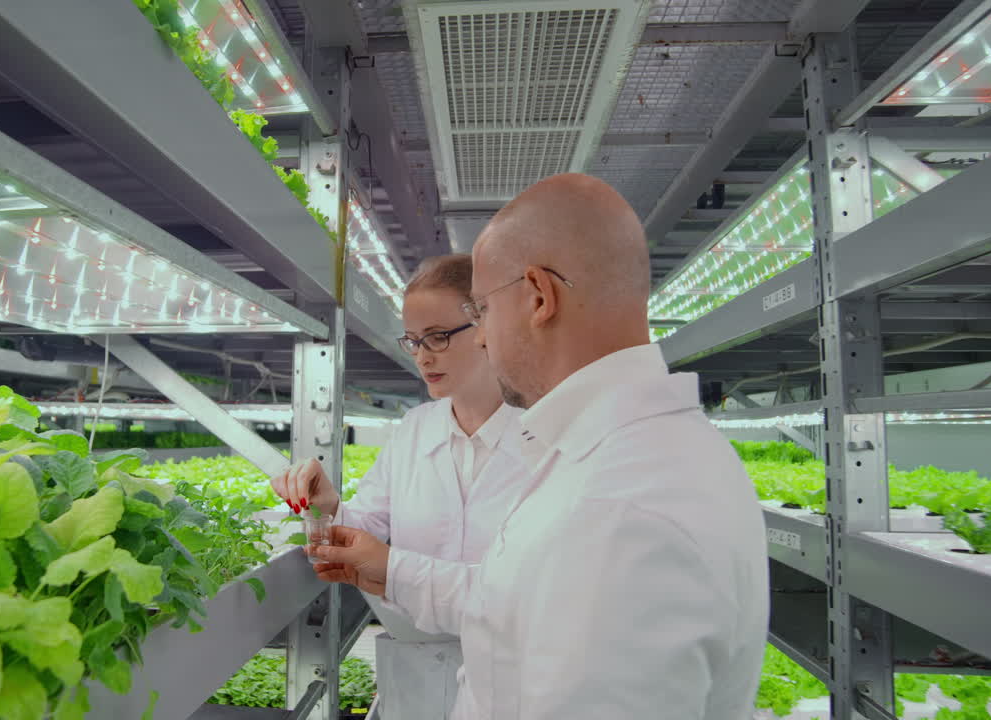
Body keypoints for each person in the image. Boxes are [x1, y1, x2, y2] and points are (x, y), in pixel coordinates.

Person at [309, 174, 770, 719]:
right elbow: (508, 606)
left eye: (482, 310)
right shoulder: (606, 458)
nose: (481, 337)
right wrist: (389, 567)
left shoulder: (616, 506)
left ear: (537, 296)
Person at [271, 254, 538, 720]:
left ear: (486, 325)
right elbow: (369, 524)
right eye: (414, 341)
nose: (422, 355)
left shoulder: (544, 438)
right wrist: (327, 509)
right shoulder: (414, 429)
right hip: (415, 684)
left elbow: (536, 593)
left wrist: (392, 566)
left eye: (437, 336)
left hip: (515, 684)